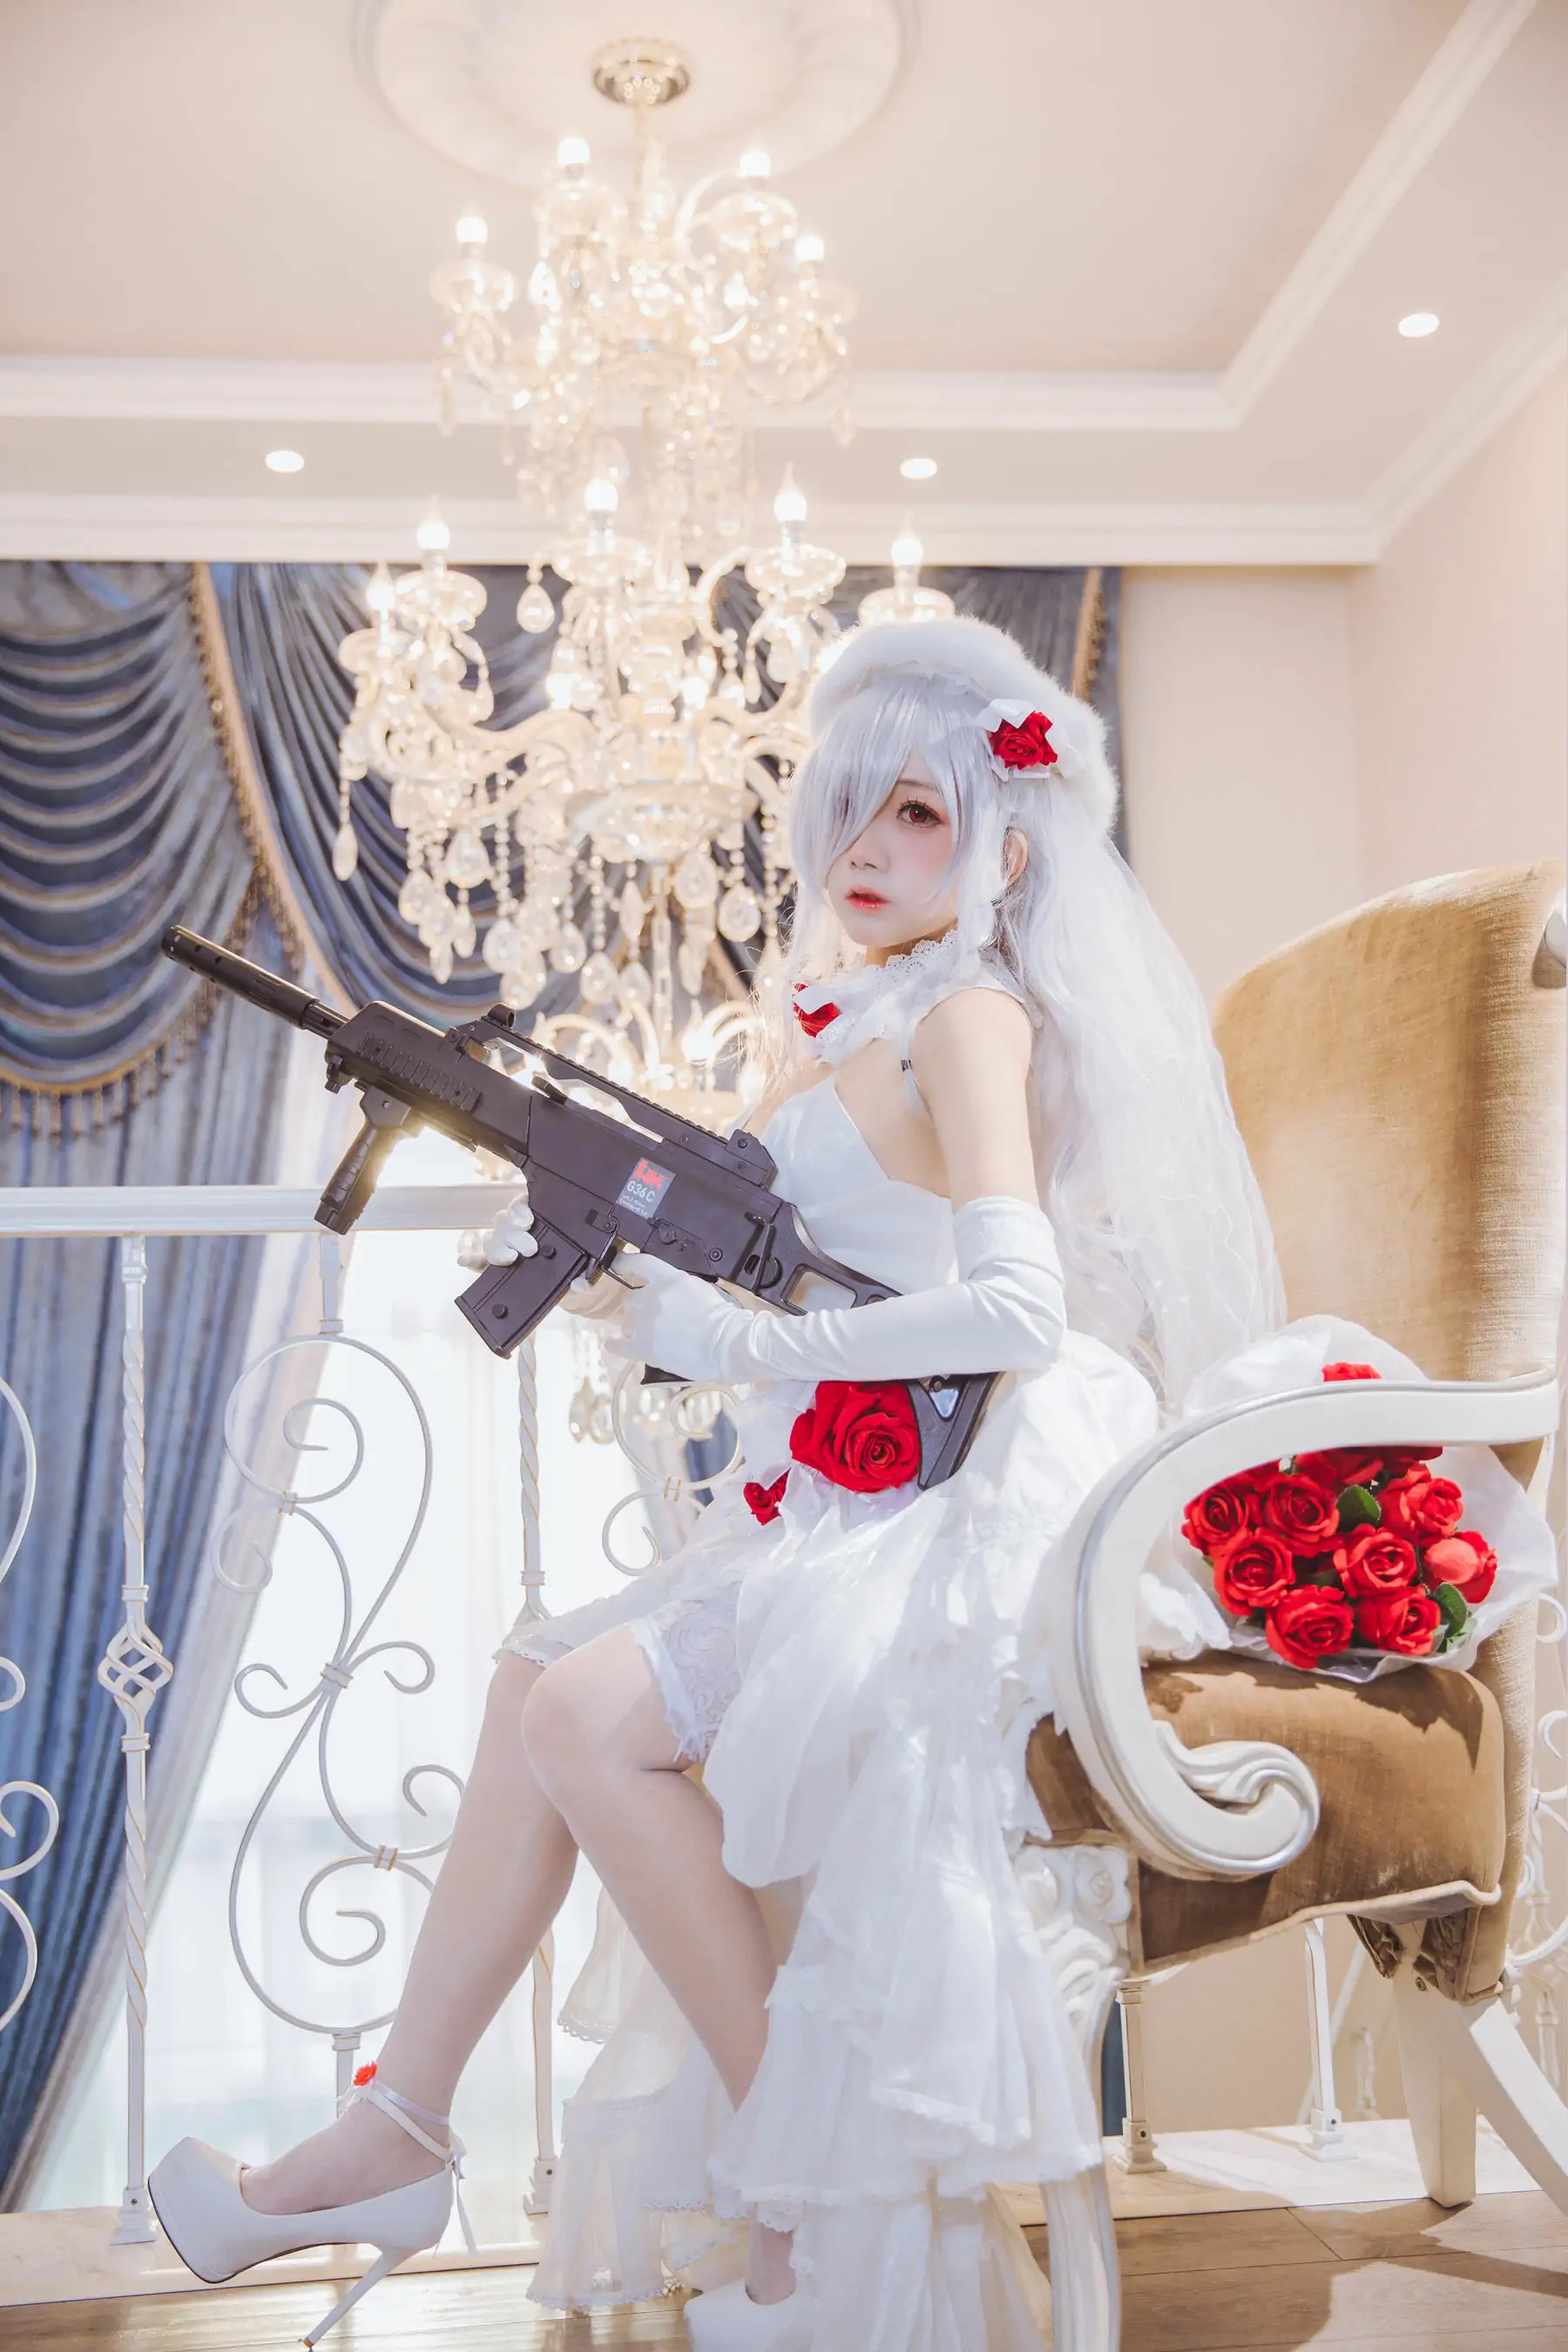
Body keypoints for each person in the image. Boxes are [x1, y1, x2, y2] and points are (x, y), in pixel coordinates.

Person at [148, 617, 1283, 2349]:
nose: (864, 846)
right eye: (847, 807)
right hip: (867, 1484)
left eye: (918, 812)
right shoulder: (853, 1018)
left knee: (582, 1714)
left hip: (967, 1497)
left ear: (1008, 845)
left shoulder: (970, 1012)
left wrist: (746, 1342)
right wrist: (644, 1290)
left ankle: (792, 2188)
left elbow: (1017, 1306)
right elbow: (812, 1256)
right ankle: (401, 2128)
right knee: (533, 1678)